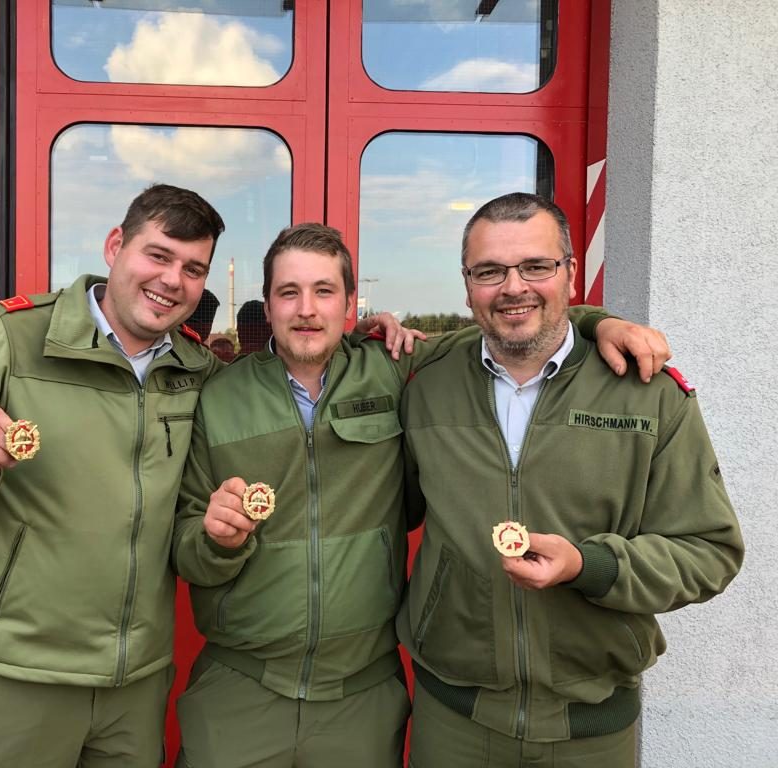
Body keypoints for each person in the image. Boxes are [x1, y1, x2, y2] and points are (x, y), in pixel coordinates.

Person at [170, 223, 671, 768]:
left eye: (324, 291)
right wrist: (216, 540)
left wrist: (597, 321)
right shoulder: (218, 396)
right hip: (240, 686)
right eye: (288, 292)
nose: (306, 309)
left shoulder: (393, 366)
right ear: (267, 305)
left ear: (350, 303)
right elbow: (187, 549)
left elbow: (515, 324)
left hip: (361, 694)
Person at [0, 184, 227, 768]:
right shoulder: (13, 337)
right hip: (23, 672)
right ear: (115, 246)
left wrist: (380, 339)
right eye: (158, 255)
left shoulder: (197, 369)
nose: (173, 280)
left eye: (193, 269)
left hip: (137, 680)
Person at [398, 193, 744, 768]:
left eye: (536, 266)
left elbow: (710, 551)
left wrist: (591, 566)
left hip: (591, 729)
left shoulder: (648, 394)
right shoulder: (426, 383)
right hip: (453, 719)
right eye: (489, 271)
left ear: (571, 273)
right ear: (467, 285)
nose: (513, 287)